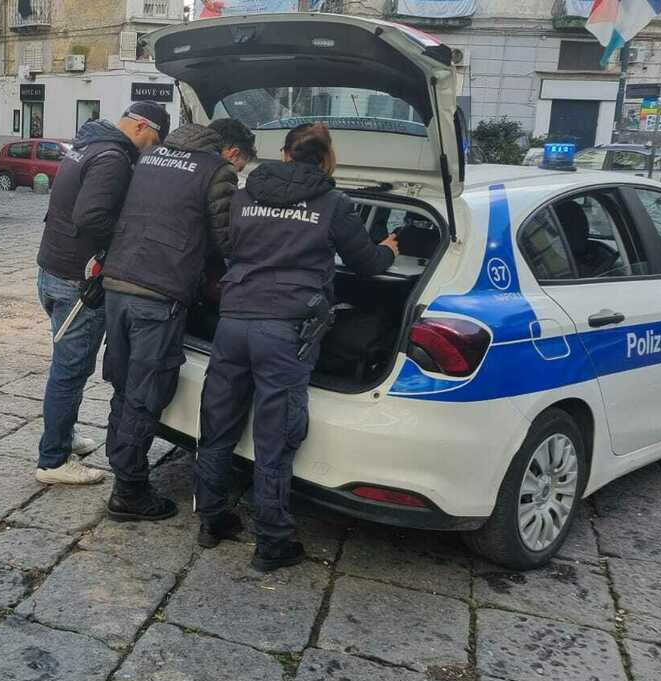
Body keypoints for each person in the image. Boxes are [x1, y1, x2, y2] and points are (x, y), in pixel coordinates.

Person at [193, 124, 399, 571]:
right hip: (285, 331)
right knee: (275, 437)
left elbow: (227, 245)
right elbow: (366, 265)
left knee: (217, 423)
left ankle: (212, 520)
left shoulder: (246, 194)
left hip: (234, 319)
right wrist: (387, 248)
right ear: (327, 159)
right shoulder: (333, 203)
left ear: (285, 155)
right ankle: (273, 542)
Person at [98, 118, 256, 521]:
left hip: (118, 282)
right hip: (160, 291)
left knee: (123, 384)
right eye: (239, 170)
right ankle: (129, 491)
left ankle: (122, 468)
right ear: (231, 153)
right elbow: (226, 240)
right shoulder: (216, 170)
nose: (235, 176)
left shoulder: (151, 156)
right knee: (145, 392)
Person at [34, 101, 170, 485]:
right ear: (142, 127)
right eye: (154, 139)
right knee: (70, 371)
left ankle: (63, 434)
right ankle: (53, 460)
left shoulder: (88, 145)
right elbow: (91, 216)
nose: (151, 149)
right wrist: (127, 241)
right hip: (80, 283)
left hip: (52, 269)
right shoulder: (112, 157)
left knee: (66, 365)